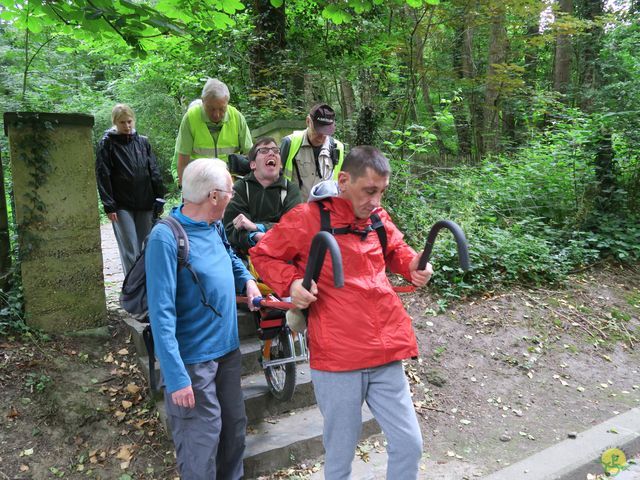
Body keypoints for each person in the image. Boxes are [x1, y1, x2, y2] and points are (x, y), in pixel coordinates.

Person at [250, 146, 433, 480]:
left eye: (381, 192)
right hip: (338, 358)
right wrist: (292, 284)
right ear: (344, 180)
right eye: (369, 191)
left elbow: (395, 249)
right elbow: (264, 255)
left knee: (409, 444)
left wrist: (413, 265)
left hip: (386, 348)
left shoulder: (376, 217)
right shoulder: (308, 219)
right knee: (340, 458)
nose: (376, 200)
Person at [145, 158, 261, 480]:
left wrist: (247, 282)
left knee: (233, 432)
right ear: (213, 196)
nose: (232, 196)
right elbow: (161, 314)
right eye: (230, 191)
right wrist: (176, 376)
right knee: (200, 443)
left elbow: (230, 258)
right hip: (193, 363)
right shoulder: (165, 239)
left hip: (227, 353)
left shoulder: (213, 225)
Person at [96, 103, 165, 276]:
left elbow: (153, 171)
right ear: (115, 123)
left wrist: (159, 197)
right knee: (130, 249)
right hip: (121, 205)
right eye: (122, 122)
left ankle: (147, 287)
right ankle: (132, 290)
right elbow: (103, 174)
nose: (127, 126)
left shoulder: (143, 142)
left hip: (146, 202)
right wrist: (109, 205)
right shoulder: (107, 144)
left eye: (129, 121)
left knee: (146, 246)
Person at [223, 137, 302, 255]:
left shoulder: (291, 189)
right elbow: (230, 229)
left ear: (280, 164)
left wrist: (256, 227)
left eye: (276, 151)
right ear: (253, 164)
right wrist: (254, 237)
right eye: (264, 151)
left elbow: (294, 228)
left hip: (282, 256)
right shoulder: (240, 188)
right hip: (246, 258)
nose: (271, 153)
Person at [173, 78, 253, 186]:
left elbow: (251, 155)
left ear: (227, 103)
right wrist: (185, 190)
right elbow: (182, 160)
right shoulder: (190, 118)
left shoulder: (237, 118)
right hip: (199, 185)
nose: (216, 114)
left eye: (222, 109)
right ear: (203, 101)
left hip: (230, 185)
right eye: (211, 109)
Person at [280, 103, 345, 200]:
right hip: (296, 210)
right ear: (308, 121)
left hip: (324, 211)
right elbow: (276, 178)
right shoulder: (290, 143)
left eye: (327, 131)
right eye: (319, 130)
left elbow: (339, 185)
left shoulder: (338, 147)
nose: (322, 136)